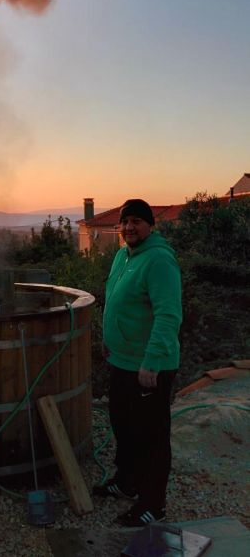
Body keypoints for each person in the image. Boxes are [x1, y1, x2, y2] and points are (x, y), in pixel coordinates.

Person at [93, 198, 182, 528]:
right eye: (125, 221)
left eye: (137, 221)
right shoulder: (122, 256)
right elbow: (116, 302)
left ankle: (152, 504)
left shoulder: (159, 260)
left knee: (152, 436)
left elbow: (168, 314)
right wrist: (108, 338)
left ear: (150, 225)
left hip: (149, 366)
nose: (129, 227)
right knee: (124, 426)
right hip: (122, 360)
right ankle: (127, 481)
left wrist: (152, 362)